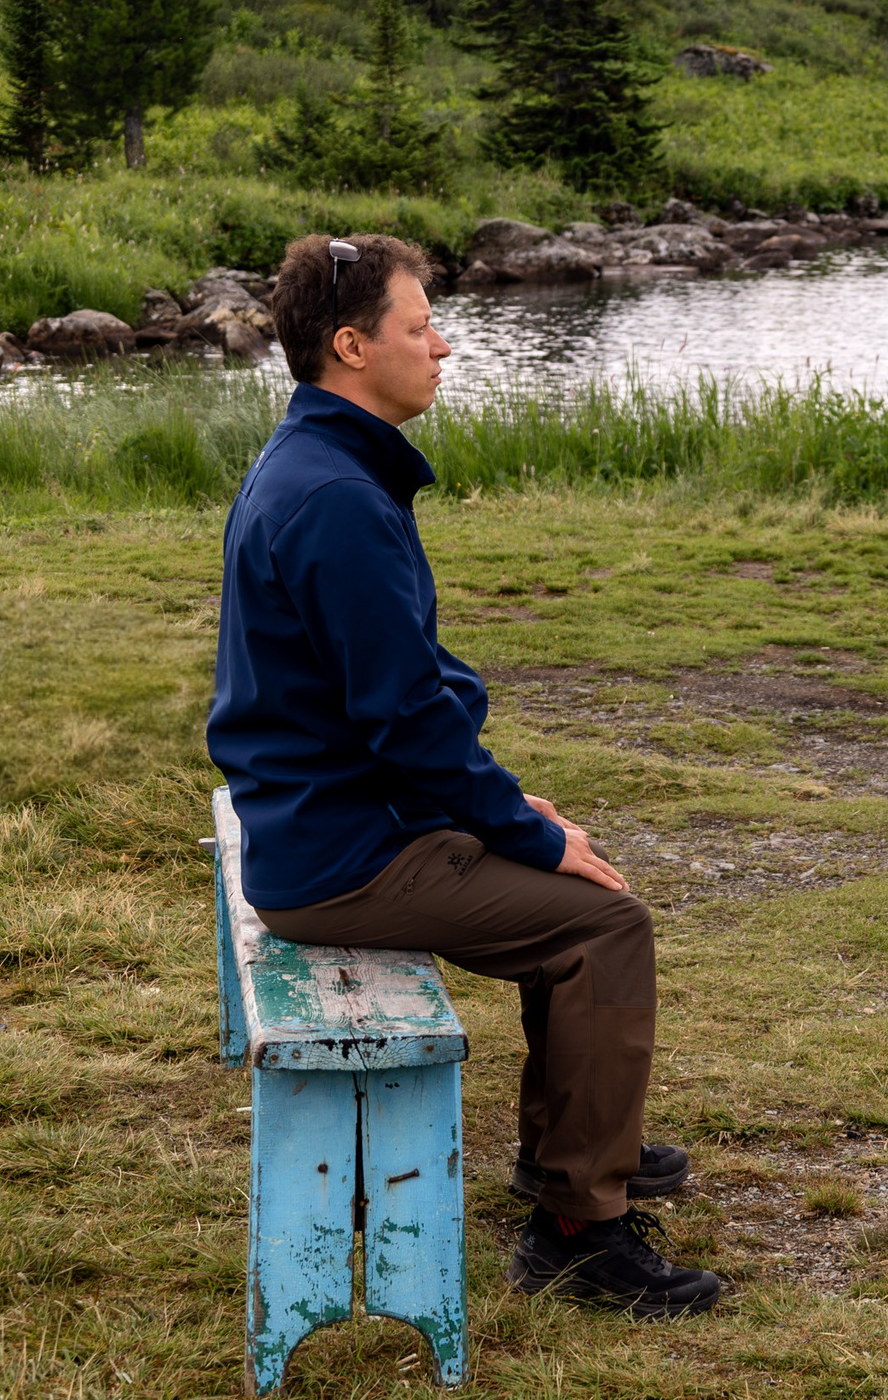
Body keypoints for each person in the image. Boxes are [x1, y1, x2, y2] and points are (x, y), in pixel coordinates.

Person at [205, 232, 720, 1319]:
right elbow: (402, 719)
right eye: (418, 326)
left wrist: (498, 806)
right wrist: (520, 832)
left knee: (556, 886)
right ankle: (579, 1228)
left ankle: (572, 1152)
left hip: (333, 822)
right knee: (601, 925)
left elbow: (409, 694)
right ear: (352, 346)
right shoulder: (338, 498)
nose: (442, 346)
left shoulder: (319, 464)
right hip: (340, 858)